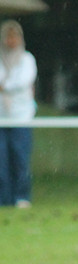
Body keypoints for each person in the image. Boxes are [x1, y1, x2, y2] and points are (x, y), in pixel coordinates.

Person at [0, 20, 36, 209]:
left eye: (14, 36)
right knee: (2, 162)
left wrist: (4, 86)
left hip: (21, 117)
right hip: (1, 118)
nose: (11, 40)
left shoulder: (27, 59)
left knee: (20, 159)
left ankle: (22, 196)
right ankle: (4, 198)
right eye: (8, 36)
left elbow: (23, 82)